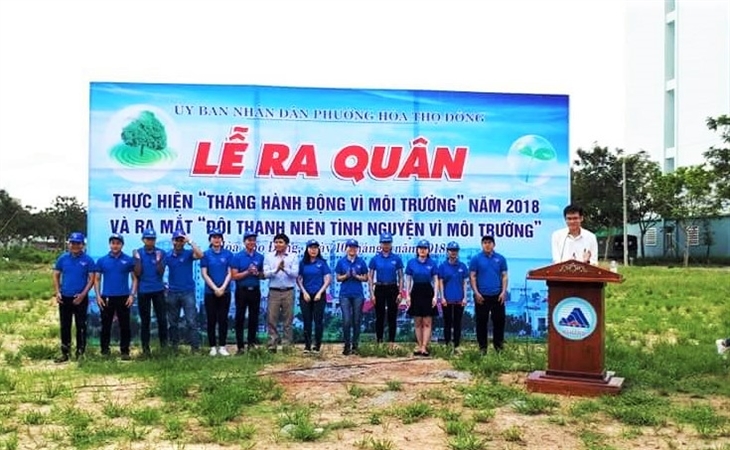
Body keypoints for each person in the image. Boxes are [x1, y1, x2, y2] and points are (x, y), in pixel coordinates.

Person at [52, 232, 96, 363]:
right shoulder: (63, 258)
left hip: (80, 298)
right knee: (65, 326)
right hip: (65, 297)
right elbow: (56, 274)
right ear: (69, 244)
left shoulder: (88, 260)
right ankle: (65, 353)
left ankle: (80, 353)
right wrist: (57, 292)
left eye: (78, 243)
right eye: (73, 243)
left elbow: (92, 279)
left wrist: (83, 294)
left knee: (81, 326)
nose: (75, 246)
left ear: (83, 245)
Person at [94, 233, 137, 360]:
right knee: (106, 325)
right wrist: (98, 296)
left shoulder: (128, 260)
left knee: (125, 326)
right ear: (110, 244)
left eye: (118, 243)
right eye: (113, 243)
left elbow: (135, 279)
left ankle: (125, 351)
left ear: (122, 245)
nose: (115, 246)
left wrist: (132, 295)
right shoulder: (102, 260)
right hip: (107, 297)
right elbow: (97, 279)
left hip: (124, 297)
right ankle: (104, 351)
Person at [164, 230, 204, 353]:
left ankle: (195, 348)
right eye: (177, 240)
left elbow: (200, 255)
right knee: (173, 323)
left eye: (181, 240)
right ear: (173, 241)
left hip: (188, 292)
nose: (179, 243)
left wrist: (190, 241)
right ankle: (174, 348)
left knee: (191, 321)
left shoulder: (188, 254)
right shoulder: (168, 255)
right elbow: (160, 270)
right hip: (172, 292)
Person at [469, 235, 509, 354]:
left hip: (497, 296)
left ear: (494, 244)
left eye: (489, 242)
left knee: (499, 322)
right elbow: (472, 276)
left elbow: (504, 276)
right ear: (482, 245)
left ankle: (499, 349)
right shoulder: (476, 259)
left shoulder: (501, 259)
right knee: (481, 323)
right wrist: (476, 293)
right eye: (485, 242)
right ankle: (482, 349)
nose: (487, 245)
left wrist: (503, 292)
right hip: (481, 296)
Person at [133, 228, 167, 356]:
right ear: (143, 239)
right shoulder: (138, 252)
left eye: (152, 239)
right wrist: (137, 260)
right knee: (145, 320)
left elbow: (160, 272)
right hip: (143, 290)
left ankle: (164, 347)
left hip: (158, 290)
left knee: (162, 319)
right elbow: (137, 273)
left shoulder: (161, 252)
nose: (150, 241)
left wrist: (158, 260)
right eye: (148, 239)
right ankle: (145, 349)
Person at [230, 230, 265, 355]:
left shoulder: (260, 257)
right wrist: (247, 272)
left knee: (253, 318)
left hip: (255, 290)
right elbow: (234, 276)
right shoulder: (237, 257)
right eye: (249, 240)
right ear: (244, 242)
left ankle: (251, 344)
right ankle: (240, 347)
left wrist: (257, 273)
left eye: (253, 240)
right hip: (242, 291)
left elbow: (263, 275)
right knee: (240, 318)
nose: (251, 242)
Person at [200, 228, 234, 356]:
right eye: (214, 237)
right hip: (210, 292)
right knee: (211, 319)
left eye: (219, 237)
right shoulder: (205, 255)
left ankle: (223, 346)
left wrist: (222, 288)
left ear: (222, 240)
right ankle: (213, 347)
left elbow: (230, 273)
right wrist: (215, 289)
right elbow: (204, 274)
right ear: (210, 240)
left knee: (223, 319)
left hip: (225, 292)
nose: (216, 239)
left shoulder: (228, 254)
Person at [263, 233, 298, 353]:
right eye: (276, 242)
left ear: (286, 244)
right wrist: (277, 269)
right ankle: (272, 345)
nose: (278, 244)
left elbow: (295, 273)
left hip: (288, 291)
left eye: (280, 242)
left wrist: (285, 269)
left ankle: (287, 345)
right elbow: (266, 274)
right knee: (271, 319)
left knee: (288, 320)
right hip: (274, 291)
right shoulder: (269, 257)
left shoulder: (293, 257)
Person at [368, 232, 404, 348]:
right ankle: (379, 342)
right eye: (384, 243)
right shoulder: (375, 259)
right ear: (380, 244)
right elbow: (370, 277)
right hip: (379, 287)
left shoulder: (396, 259)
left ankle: (391, 342)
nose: (386, 245)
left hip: (392, 288)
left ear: (391, 244)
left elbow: (401, 277)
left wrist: (400, 292)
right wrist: (371, 293)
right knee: (380, 316)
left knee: (392, 316)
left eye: (388, 243)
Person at [297, 239, 332, 354]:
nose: (313, 250)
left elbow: (328, 279)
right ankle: (307, 346)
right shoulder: (303, 263)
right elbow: (299, 279)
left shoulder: (322, 263)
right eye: (311, 248)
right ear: (307, 249)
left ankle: (317, 346)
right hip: (305, 295)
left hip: (319, 295)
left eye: (315, 248)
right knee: (307, 321)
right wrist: (304, 292)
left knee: (318, 321)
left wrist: (320, 292)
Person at [404, 239, 438, 356]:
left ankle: (424, 347)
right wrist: (407, 295)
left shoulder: (432, 263)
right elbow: (408, 280)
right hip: (416, 292)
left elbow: (436, 280)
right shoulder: (411, 263)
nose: (422, 250)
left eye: (425, 248)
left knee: (427, 321)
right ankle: (419, 346)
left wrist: (435, 296)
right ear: (417, 250)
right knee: (418, 321)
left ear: (428, 250)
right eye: (420, 248)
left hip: (428, 292)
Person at [335, 239, 368, 356]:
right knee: (346, 320)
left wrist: (356, 276)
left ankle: (355, 345)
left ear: (357, 249)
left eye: (354, 247)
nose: (352, 249)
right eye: (350, 247)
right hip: (344, 294)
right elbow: (338, 278)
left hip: (358, 294)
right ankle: (346, 345)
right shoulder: (341, 262)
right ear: (346, 248)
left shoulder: (361, 262)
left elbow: (366, 278)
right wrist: (346, 275)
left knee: (357, 320)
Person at [438, 241, 469, 352]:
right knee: (447, 323)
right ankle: (447, 345)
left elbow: (465, 283)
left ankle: (456, 346)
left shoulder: (462, 266)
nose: (453, 252)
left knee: (457, 323)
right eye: (451, 250)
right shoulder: (442, 266)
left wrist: (465, 297)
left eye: (455, 250)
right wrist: (442, 297)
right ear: (447, 252)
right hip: (447, 300)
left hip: (459, 299)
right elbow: (440, 283)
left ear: (458, 252)